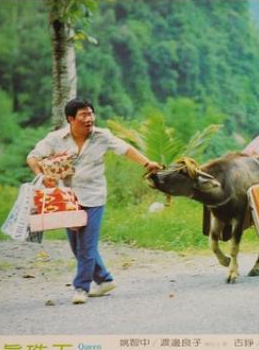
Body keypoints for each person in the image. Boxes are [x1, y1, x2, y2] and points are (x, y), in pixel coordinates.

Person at [27, 98, 161, 304]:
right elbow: (33, 157)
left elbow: (125, 149)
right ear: (71, 119)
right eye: (83, 115)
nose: (89, 119)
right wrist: (41, 175)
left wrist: (147, 163)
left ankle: (81, 287)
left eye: (91, 114)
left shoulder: (102, 136)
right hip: (67, 199)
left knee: (86, 245)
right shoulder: (56, 139)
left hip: (94, 197)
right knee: (77, 246)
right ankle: (104, 279)